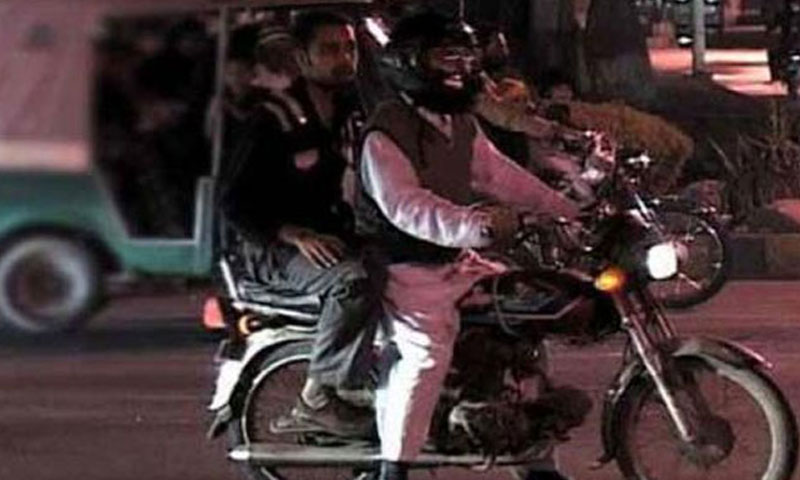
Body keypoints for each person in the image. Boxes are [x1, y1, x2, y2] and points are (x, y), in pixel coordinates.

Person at [357, 11, 580, 480]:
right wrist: (477, 226)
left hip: (456, 261)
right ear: (410, 63)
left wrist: (567, 210)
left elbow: (499, 175)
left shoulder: (457, 122)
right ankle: (393, 467)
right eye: (446, 58)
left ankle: (536, 464)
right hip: (405, 269)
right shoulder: (386, 131)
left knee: (524, 324)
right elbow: (408, 208)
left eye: (465, 58)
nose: (460, 69)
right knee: (426, 353)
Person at [211, 10, 378, 438]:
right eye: (329, 50)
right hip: (270, 250)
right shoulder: (275, 118)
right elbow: (233, 202)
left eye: (349, 49)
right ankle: (319, 396)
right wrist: (294, 234)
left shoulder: (351, 112)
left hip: (328, 238)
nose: (343, 59)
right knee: (351, 283)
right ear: (302, 58)